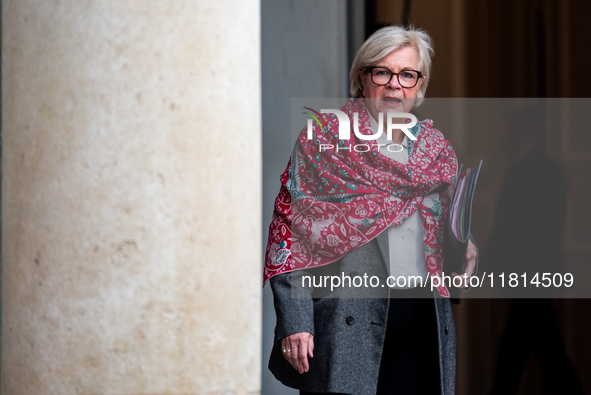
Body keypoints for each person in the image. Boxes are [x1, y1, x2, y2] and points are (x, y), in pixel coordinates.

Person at [264, 25, 477, 395]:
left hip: (424, 322)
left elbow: (444, 219)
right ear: (362, 78)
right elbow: (290, 231)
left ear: (419, 86)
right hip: (346, 323)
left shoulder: (436, 149)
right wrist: (295, 321)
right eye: (383, 71)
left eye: (407, 74)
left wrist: (465, 244)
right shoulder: (326, 141)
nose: (395, 84)